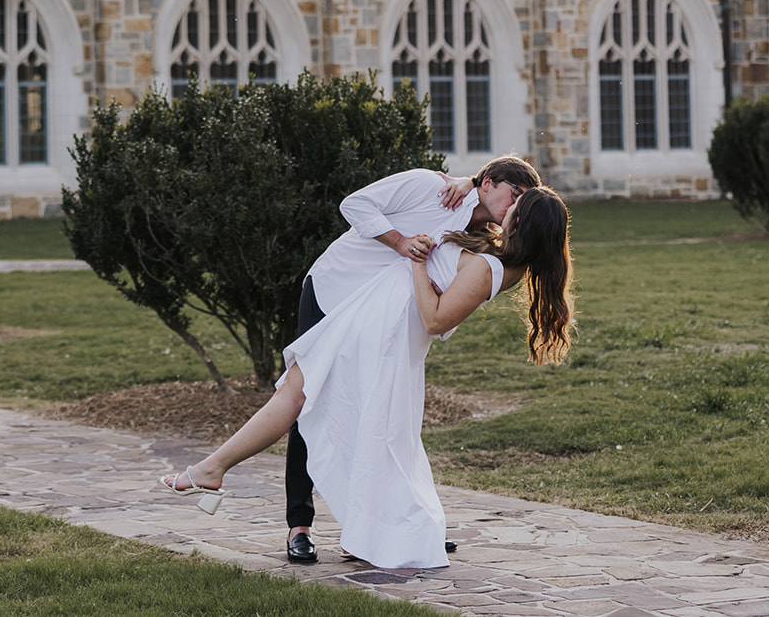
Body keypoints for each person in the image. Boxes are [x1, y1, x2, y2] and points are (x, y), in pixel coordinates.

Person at [160, 183, 575, 570]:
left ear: (522, 223)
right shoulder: (497, 250)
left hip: (384, 330)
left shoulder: (490, 268)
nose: (505, 208)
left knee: (305, 400)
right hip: (372, 314)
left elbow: (434, 320)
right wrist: (470, 181)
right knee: (343, 415)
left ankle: (213, 471)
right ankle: (225, 476)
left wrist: (417, 261)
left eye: (516, 206)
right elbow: (475, 198)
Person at [280, 157, 540, 564]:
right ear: (488, 182)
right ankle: (300, 525)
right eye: (515, 195)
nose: (516, 208)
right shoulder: (428, 186)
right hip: (335, 289)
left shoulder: (485, 235)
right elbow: (354, 205)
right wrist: (401, 242)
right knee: (306, 400)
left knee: (379, 414)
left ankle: (380, 528)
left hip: (381, 321)